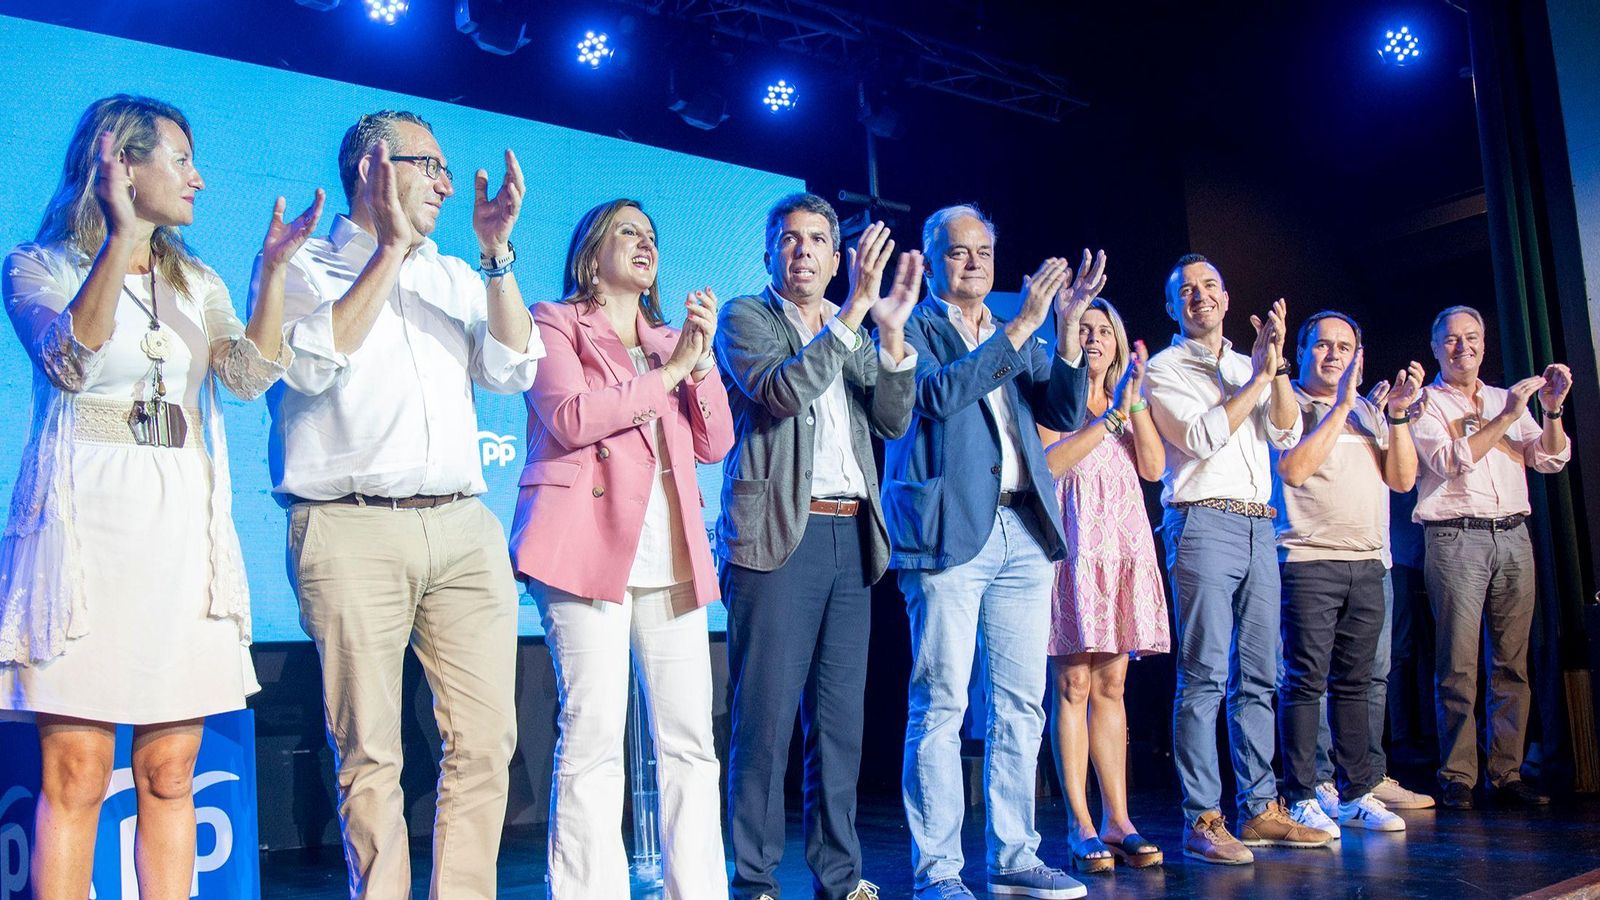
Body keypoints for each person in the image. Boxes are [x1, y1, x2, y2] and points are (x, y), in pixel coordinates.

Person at [0, 94, 316, 898]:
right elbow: (69, 361)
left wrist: (273, 276)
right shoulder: (37, 265)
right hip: (85, 537)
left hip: (179, 533)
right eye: (180, 160)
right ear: (120, 163)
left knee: (172, 770)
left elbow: (247, 377)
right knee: (76, 772)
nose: (198, 179)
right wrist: (122, 238)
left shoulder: (197, 280)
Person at [269, 110, 541, 898]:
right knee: (370, 752)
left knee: (486, 739)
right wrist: (389, 251)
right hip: (350, 526)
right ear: (374, 169)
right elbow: (308, 367)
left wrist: (496, 254)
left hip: (461, 525)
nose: (448, 185)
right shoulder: (303, 264)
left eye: (447, 170)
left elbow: (513, 368)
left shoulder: (453, 273)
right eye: (430, 166)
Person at [510, 199, 734, 898]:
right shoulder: (554, 321)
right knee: (594, 737)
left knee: (691, 741)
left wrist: (698, 362)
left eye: (652, 235)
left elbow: (716, 442)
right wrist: (668, 375)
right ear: (591, 252)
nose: (646, 243)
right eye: (628, 231)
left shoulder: (672, 341)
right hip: (584, 548)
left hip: (672, 556)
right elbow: (570, 417)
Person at [884, 203, 1096, 900]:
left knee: (1021, 703)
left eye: (983, 251)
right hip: (948, 531)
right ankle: (938, 872)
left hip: (1023, 530)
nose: (973, 263)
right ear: (932, 259)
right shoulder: (913, 323)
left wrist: (1067, 332)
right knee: (941, 704)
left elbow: (1062, 411)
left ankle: (1015, 855)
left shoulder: (1014, 328)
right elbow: (936, 395)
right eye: (958, 251)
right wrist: (1021, 329)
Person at [715, 194, 919, 900]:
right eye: (788, 238)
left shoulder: (852, 326)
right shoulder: (746, 317)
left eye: (816, 240)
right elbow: (781, 392)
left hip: (850, 533)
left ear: (837, 258)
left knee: (838, 725)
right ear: (769, 252)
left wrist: (890, 334)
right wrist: (855, 313)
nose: (802, 250)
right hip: (778, 534)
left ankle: (840, 878)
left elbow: (892, 420)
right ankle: (755, 881)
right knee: (765, 720)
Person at [1143, 253, 1327, 865]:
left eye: (1210, 286)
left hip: (1258, 524)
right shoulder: (1163, 369)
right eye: (1186, 291)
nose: (1200, 297)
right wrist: (1257, 380)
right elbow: (1199, 437)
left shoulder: (1251, 364)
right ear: (1172, 306)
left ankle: (1261, 808)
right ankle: (1202, 818)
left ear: (1225, 297)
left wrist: (1275, 368)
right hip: (1201, 521)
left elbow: (1285, 433)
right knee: (1203, 676)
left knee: (1259, 676)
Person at [1271, 310, 1425, 838]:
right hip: (1308, 559)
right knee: (1304, 681)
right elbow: (1293, 469)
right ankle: (1302, 795)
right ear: (1302, 351)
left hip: (1366, 561)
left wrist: (1397, 416)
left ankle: (1357, 791)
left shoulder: (1366, 410)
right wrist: (1339, 406)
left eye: (1344, 346)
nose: (1333, 354)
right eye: (1322, 345)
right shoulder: (1288, 401)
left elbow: (1402, 480)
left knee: (1357, 683)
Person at [1411, 305, 1571, 809]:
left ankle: (1506, 773)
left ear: (1484, 343)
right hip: (1456, 537)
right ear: (1435, 348)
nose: (1463, 347)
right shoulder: (1425, 403)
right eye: (1451, 339)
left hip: (1513, 535)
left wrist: (1550, 410)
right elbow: (1449, 460)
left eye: (1472, 337)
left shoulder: (1506, 397)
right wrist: (1506, 419)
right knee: (1457, 664)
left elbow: (1548, 458)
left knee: (1512, 664)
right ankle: (1458, 774)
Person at [1036, 299, 1169, 875]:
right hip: (1073, 548)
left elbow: (1155, 468)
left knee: (1112, 684)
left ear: (1117, 342)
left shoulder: (1126, 399)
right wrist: (1108, 419)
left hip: (1121, 549)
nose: (1093, 338)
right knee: (1073, 684)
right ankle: (1080, 822)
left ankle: (1119, 818)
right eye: (1083, 329)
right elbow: (1050, 462)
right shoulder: (1053, 393)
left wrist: (1131, 403)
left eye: (1103, 331)